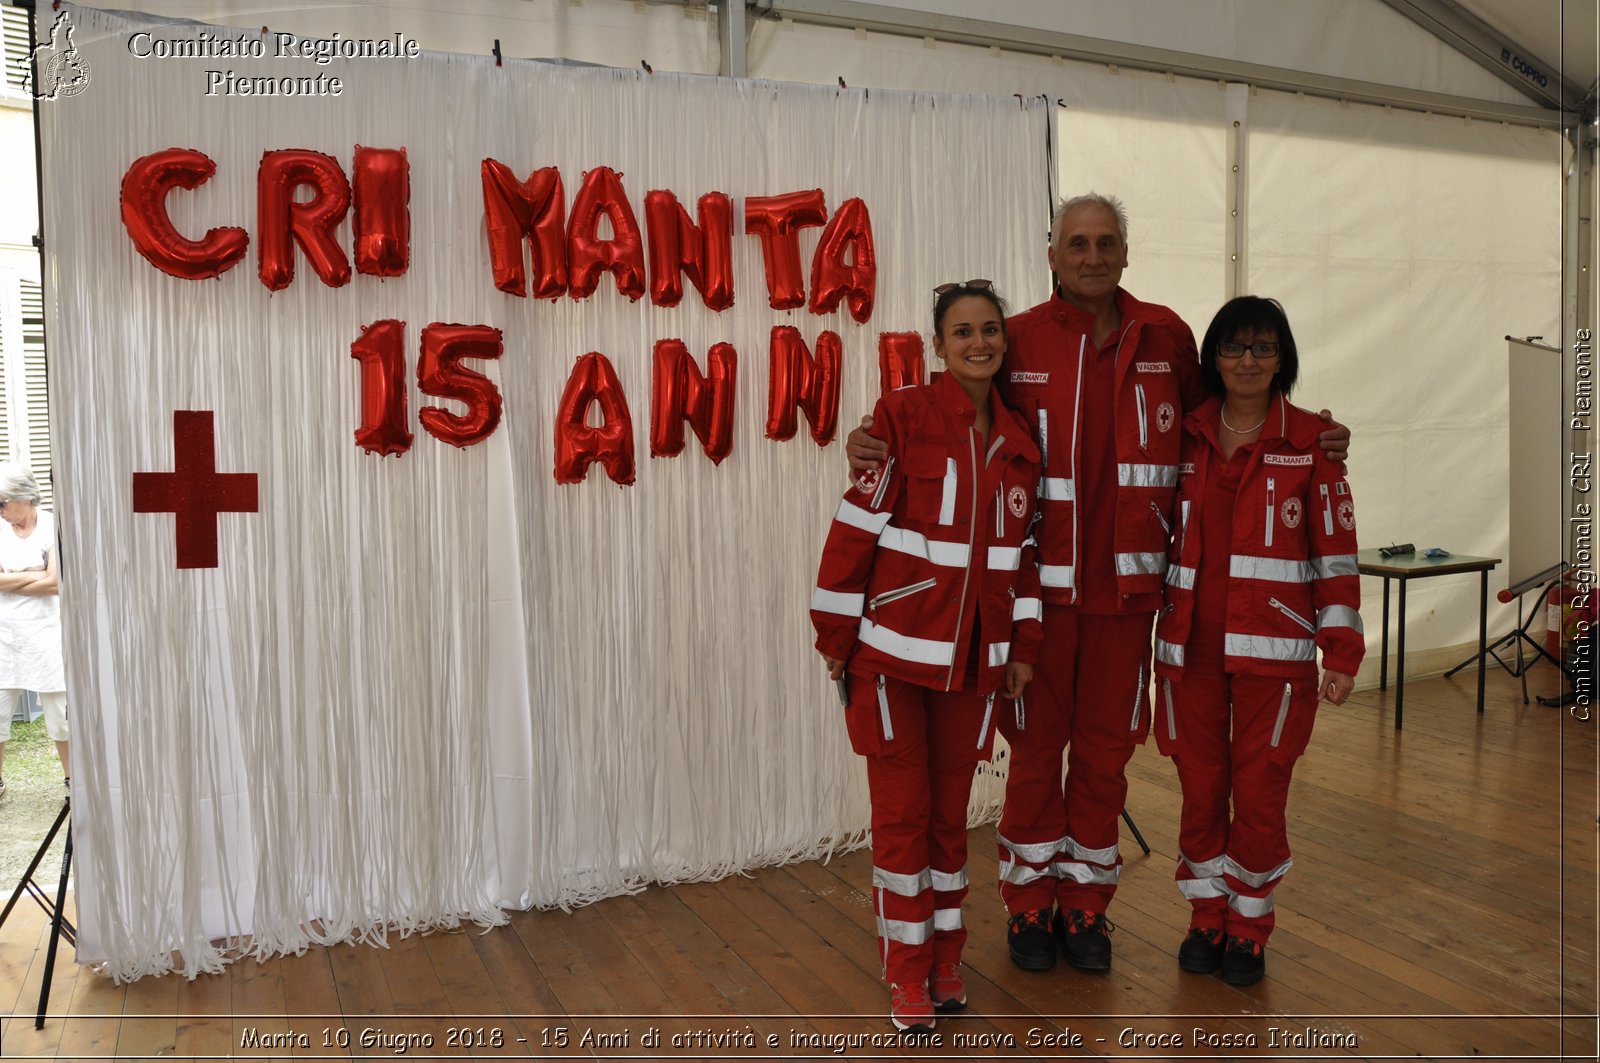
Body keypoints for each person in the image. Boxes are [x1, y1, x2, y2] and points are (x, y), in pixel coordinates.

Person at [847, 194, 1351, 973]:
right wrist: (875, 435)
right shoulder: (1015, 341)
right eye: (1076, 243)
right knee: (1036, 753)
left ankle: (1085, 905)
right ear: (1052, 253)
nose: (1091, 255)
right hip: (1037, 602)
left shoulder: (1169, 337)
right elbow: (958, 417)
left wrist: (1310, 429)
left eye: (1105, 242)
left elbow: (1222, 420)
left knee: (1107, 758)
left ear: (1125, 252)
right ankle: (1026, 906)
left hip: (1131, 601)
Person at [811, 281, 1042, 1031]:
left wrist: (1020, 650)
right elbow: (852, 536)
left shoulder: (1021, 445)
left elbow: (1025, 562)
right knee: (904, 820)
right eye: (962, 331)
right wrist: (836, 641)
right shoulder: (900, 420)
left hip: (971, 671)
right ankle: (907, 974)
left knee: (950, 823)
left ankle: (947, 960)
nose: (979, 342)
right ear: (938, 345)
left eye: (990, 330)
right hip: (887, 668)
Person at [1151, 296, 1363, 986]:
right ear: (1212, 357)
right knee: (1200, 787)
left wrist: (1342, 649)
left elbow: (1336, 554)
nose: (1247, 361)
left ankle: (1249, 925)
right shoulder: (1182, 436)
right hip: (1190, 650)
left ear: (1283, 360)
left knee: (1262, 791)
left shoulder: (1311, 442)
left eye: (1263, 349)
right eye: (1234, 347)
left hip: (1276, 656)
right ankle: (1206, 915)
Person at [0, 463, 68, 799]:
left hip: (45, 632)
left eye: (3, 503)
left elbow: (56, 583)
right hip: (5, 634)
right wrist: (36, 572)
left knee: (60, 714)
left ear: (24, 498)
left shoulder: (52, 524)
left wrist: (10, 581)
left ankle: (73, 781)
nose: (0, 510)